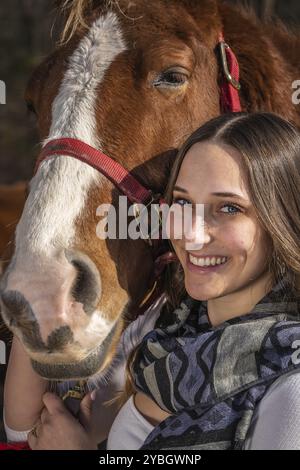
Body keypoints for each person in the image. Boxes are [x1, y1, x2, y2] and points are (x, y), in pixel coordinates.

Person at [3, 112, 300, 450]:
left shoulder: (291, 385)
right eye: (183, 201)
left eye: (229, 208)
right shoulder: (171, 340)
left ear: (282, 219)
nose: (191, 233)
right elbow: (27, 432)